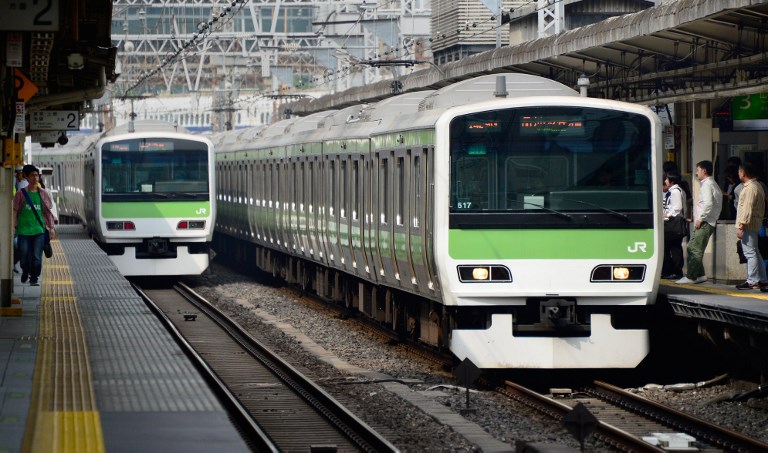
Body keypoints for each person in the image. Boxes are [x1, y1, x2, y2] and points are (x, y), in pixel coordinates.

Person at [676, 160, 722, 284]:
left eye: (698, 170)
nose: (697, 173)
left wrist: (700, 218)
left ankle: (691, 276)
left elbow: (708, 204)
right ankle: (700, 275)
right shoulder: (712, 184)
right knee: (693, 247)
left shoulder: (707, 185)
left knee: (694, 248)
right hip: (706, 220)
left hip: (705, 222)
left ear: (704, 171)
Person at [12, 165, 56, 286]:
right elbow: (15, 210)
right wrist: (13, 226)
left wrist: (51, 228)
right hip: (23, 230)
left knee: (37, 257)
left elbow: (47, 212)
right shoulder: (20, 194)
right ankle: (25, 270)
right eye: (32, 175)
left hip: (39, 230)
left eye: (37, 175)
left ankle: (34, 278)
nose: (35, 178)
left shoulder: (43, 194)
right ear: (26, 177)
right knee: (24, 256)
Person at [734, 162, 768, 290]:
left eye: (739, 171)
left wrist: (741, 225)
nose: (738, 174)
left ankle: (752, 280)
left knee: (750, 252)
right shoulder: (757, 186)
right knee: (755, 252)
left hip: (748, 225)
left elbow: (746, 209)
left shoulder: (750, 188)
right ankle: (762, 279)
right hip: (754, 223)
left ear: (743, 173)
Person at [661, 171, 686, 279]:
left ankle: (675, 271)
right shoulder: (674, 191)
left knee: (673, 248)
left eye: (667, 179)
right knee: (673, 247)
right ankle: (672, 270)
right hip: (672, 222)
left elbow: (677, 208)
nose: (665, 181)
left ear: (672, 180)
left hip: (673, 223)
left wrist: (667, 215)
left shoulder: (675, 191)